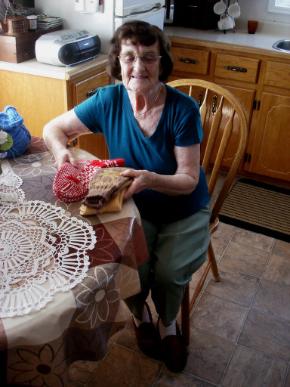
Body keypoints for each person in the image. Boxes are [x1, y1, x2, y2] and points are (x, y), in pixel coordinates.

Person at [43, 20, 210, 373]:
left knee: (167, 273)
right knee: (126, 264)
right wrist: (63, 154)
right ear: (118, 62)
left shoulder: (183, 110)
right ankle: (140, 316)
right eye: (129, 56)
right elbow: (52, 128)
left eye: (149, 57)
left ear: (162, 62)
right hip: (135, 204)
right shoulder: (108, 100)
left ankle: (167, 325)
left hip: (183, 208)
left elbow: (188, 179)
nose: (138, 67)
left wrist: (150, 179)